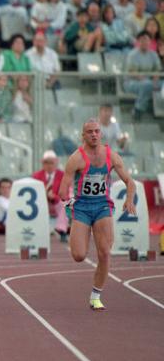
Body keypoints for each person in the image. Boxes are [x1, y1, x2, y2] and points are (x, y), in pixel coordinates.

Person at [58, 118, 136, 311]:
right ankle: (77, 234)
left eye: (97, 131)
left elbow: (129, 181)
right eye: (90, 132)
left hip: (102, 206)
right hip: (82, 207)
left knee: (105, 253)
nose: (94, 134)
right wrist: (69, 205)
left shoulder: (112, 155)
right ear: (83, 135)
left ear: (101, 134)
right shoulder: (76, 158)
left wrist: (129, 199)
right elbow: (62, 190)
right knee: (78, 255)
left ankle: (96, 296)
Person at [32, 150, 69, 241]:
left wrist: (54, 197)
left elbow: (65, 193)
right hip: (41, 202)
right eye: (46, 163)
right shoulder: (36, 176)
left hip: (56, 201)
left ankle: (61, 230)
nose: (49, 165)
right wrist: (44, 195)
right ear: (42, 163)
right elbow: (33, 193)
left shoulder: (62, 175)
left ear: (56, 163)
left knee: (63, 204)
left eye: (51, 163)